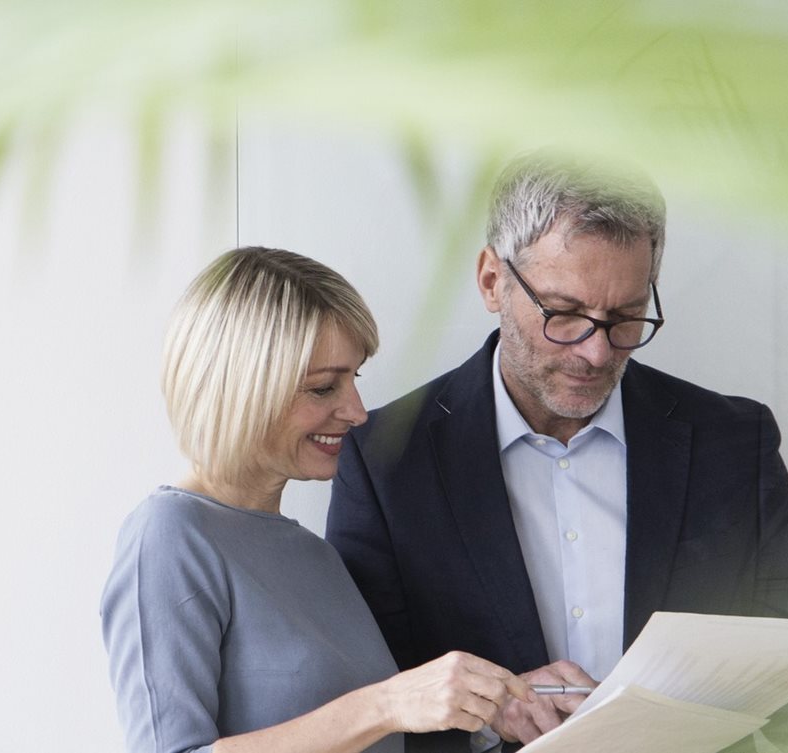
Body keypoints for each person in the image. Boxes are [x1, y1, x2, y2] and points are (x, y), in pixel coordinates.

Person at [325, 158, 788, 752]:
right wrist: (482, 719)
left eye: (626, 317)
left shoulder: (734, 444)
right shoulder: (385, 459)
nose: (598, 353)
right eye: (565, 313)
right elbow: (364, 708)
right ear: (492, 281)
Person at [102, 247, 537, 753]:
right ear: (242, 388)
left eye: (355, 379)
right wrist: (385, 704)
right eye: (324, 387)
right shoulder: (171, 535)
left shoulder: (316, 555)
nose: (356, 411)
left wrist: (494, 706)